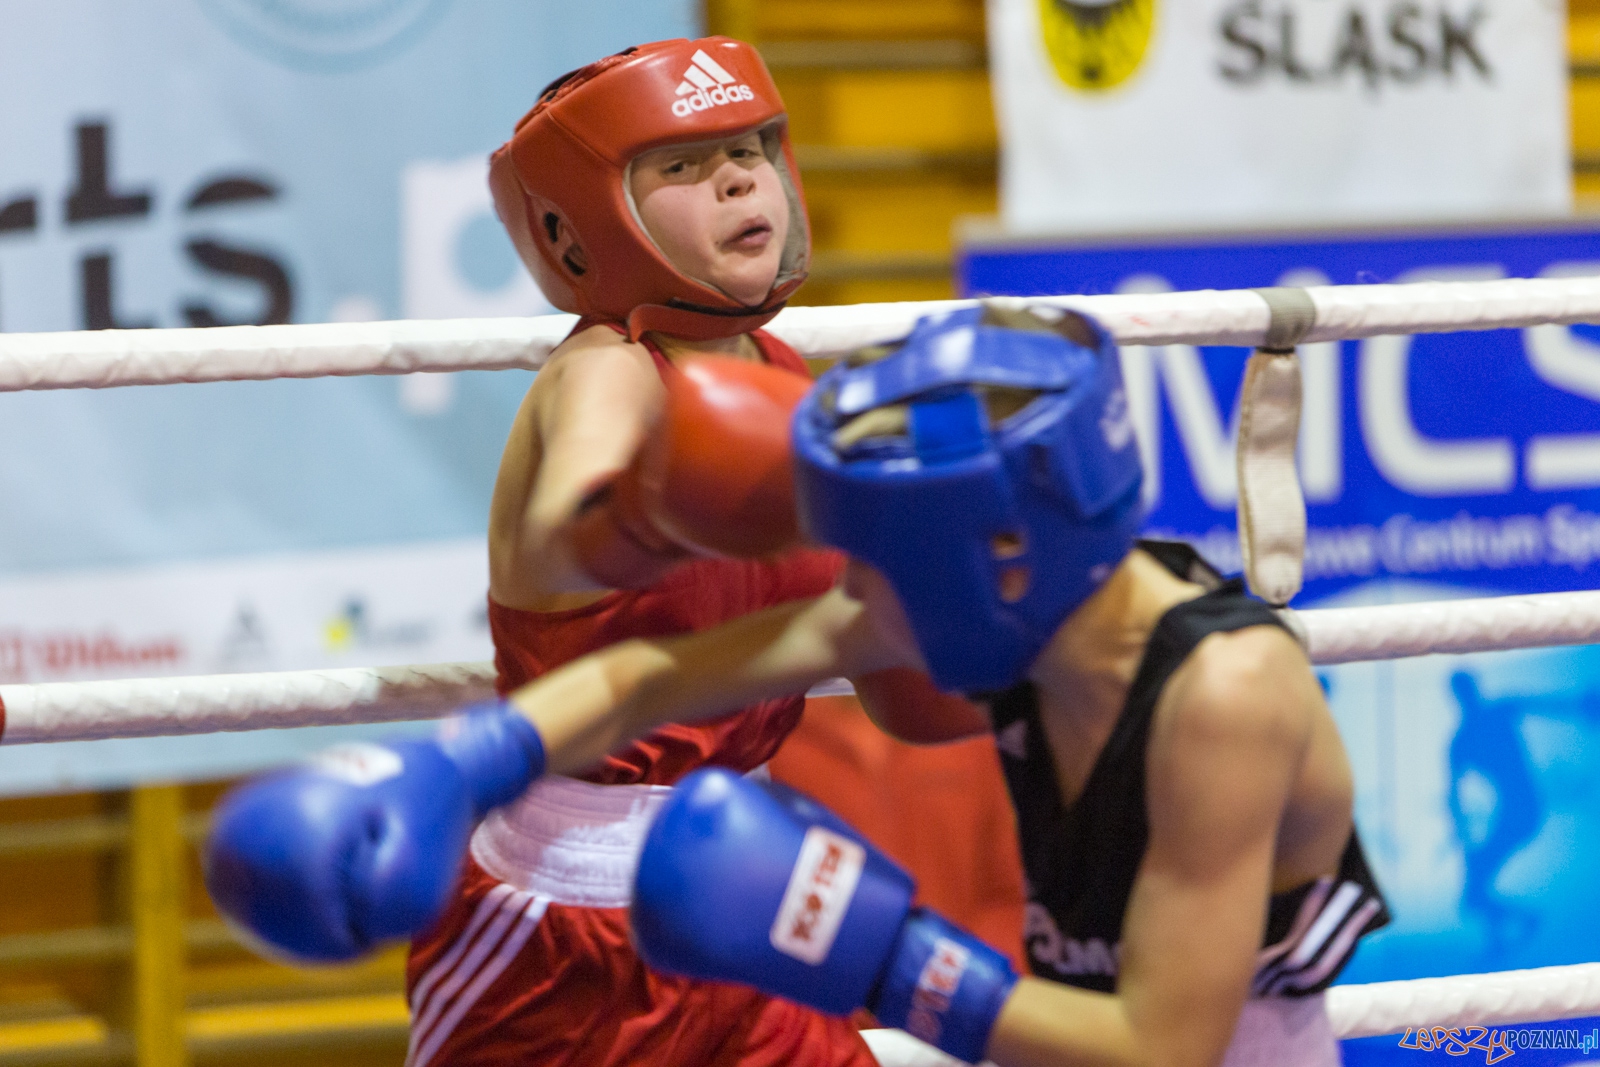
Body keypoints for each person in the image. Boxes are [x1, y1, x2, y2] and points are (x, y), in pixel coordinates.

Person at [207, 305, 1386, 1067]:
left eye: (881, 560)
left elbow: (1160, 1048)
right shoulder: (1026, 595)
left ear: (1000, 552)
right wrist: (462, 765)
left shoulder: (1223, 700)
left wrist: (884, 959)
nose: (854, 596)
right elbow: (646, 674)